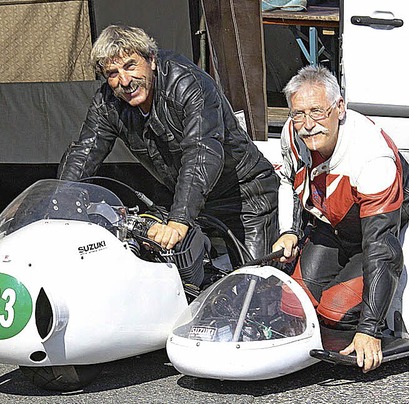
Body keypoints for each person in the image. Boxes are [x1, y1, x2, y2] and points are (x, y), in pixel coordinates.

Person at [58, 25, 279, 281]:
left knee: (254, 286)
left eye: (130, 66)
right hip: (179, 197)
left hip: (243, 196)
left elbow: (201, 152)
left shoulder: (188, 84)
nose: (125, 81)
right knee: (147, 268)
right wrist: (58, 202)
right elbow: (84, 151)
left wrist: (179, 220)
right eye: (113, 73)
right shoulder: (107, 102)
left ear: (151, 60)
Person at [272, 65, 409, 373]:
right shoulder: (292, 133)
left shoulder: (371, 156)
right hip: (333, 224)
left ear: (339, 108)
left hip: (378, 230)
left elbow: (382, 250)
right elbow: (288, 180)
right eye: (298, 114)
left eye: (317, 112)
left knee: (333, 311)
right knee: (291, 307)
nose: (307, 125)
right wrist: (289, 230)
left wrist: (369, 330)